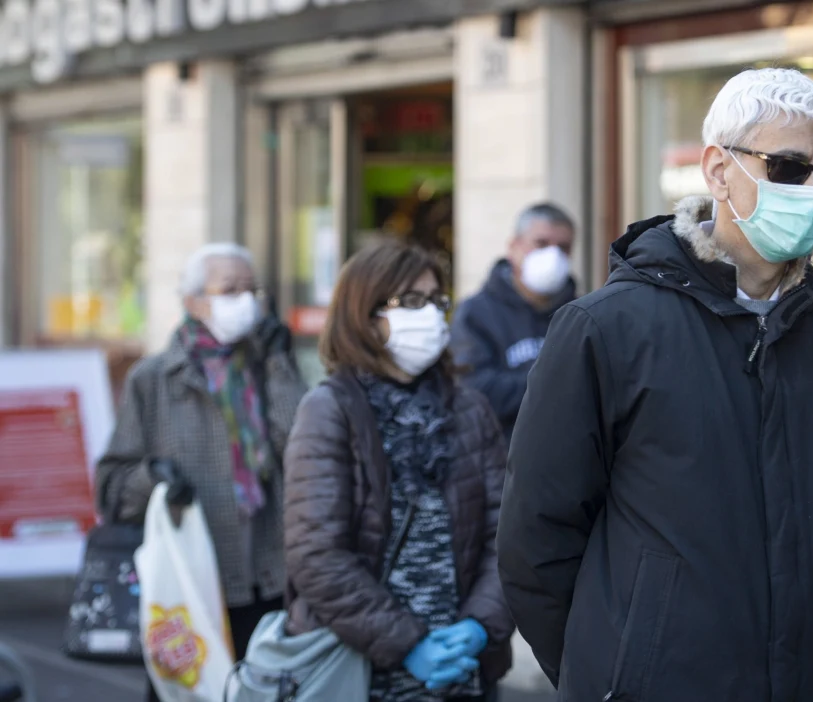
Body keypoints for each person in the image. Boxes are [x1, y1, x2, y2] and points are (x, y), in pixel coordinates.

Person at [496, 67, 813, 701]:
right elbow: (536, 544)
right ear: (718, 170)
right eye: (790, 168)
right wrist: (612, 671)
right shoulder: (604, 330)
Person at [283, 241, 513, 702]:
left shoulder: (469, 407)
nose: (429, 314)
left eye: (436, 301)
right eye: (411, 301)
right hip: (359, 671)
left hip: (463, 670)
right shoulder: (330, 409)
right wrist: (408, 643)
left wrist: (481, 624)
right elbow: (317, 555)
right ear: (363, 313)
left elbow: (506, 535)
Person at [93, 242, 308, 701]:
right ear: (192, 300)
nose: (245, 300)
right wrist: (155, 477)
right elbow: (111, 490)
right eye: (230, 289)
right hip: (191, 588)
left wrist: (279, 364)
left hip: (271, 581)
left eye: (252, 289)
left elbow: (303, 449)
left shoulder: (269, 364)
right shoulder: (154, 379)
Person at [450, 202, 576, 440]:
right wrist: (558, 383)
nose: (553, 255)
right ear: (513, 247)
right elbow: (474, 392)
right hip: (500, 462)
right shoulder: (475, 314)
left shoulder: (582, 314)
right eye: (541, 244)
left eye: (564, 247)